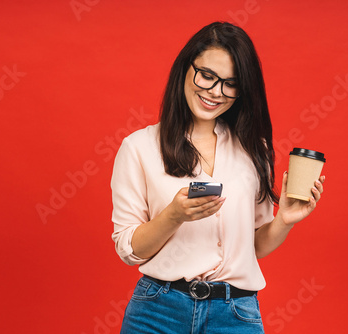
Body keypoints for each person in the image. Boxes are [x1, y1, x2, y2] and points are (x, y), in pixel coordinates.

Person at [110, 21, 325, 333]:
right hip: (158, 312)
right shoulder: (138, 147)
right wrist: (173, 215)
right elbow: (129, 250)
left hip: (235, 313)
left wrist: (285, 220)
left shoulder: (255, 150)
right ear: (186, 68)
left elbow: (253, 247)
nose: (215, 92)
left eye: (230, 83)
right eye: (207, 76)